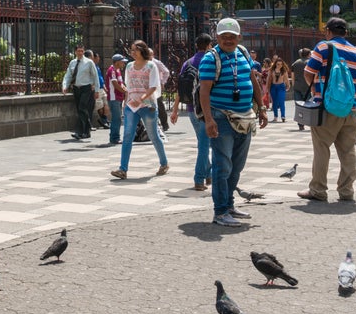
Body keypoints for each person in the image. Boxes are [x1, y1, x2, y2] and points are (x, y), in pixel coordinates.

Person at [198, 18, 266, 226]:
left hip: (244, 116)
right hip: (221, 117)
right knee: (222, 165)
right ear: (217, 37)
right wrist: (209, 120)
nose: (228, 40)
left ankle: (229, 205)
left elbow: (252, 80)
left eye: (232, 36)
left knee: (237, 165)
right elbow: (204, 90)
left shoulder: (243, 53)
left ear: (239, 37)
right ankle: (220, 212)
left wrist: (261, 107)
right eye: (224, 36)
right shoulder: (211, 58)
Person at [300, 18, 356, 202]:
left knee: (322, 149)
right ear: (345, 32)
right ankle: (346, 191)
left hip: (327, 108)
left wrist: (315, 91)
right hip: (351, 108)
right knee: (348, 151)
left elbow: (308, 73)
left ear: (328, 31)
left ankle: (318, 190)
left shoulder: (323, 47)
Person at [111, 40, 169, 181]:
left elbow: (154, 86)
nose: (132, 53)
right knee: (128, 135)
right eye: (131, 50)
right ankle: (123, 169)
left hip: (148, 106)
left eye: (135, 50)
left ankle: (164, 163)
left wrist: (142, 98)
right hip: (132, 106)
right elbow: (128, 85)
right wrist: (127, 101)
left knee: (153, 135)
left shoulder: (151, 66)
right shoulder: (129, 66)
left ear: (142, 50)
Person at [172, 35, 213, 191]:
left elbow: (180, 87)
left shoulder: (187, 63)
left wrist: (175, 109)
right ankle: (199, 179)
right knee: (205, 145)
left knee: (203, 143)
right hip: (206, 110)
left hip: (190, 109)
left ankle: (208, 174)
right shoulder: (210, 61)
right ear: (209, 45)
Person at [62, 46, 102, 141]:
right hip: (76, 88)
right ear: (75, 51)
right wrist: (65, 86)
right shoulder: (73, 62)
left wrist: (97, 90)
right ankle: (85, 131)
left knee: (82, 108)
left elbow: (95, 76)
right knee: (80, 110)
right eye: (78, 51)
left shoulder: (89, 62)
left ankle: (81, 130)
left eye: (82, 51)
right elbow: (68, 75)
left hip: (86, 88)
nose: (80, 53)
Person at [104, 54, 127, 145]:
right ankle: (114, 138)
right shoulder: (112, 70)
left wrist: (124, 89)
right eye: (122, 62)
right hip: (114, 98)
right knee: (116, 118)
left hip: (118, 97)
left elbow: (120, 83)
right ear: (117, 62)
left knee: (117, 118)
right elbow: (115, 84)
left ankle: (115, 137)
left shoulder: (117, 70)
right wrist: (124, 91)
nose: (123, 64)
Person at [290, 48, 311, 130]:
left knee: (299, 106)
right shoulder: (310, 62)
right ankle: (308, 121)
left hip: (297, 87)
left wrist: (294, 85)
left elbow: (293, 76)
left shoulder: (295, 63)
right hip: (307, 86)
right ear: (308, 54)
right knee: (308, 105)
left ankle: (300, 124)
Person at [268, 56, 290, 123]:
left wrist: (288, 86)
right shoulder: (272, 70)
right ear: (275, 64)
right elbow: (269, 80)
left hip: (281, 87)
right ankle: (275, 117)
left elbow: (286, 80)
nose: (279, 66)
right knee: (274, 102)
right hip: (273, 87)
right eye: (278, 64)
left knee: (281, 102)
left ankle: (283, 116)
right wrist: (268, 89)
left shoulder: (284, 71)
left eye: (281, 64)